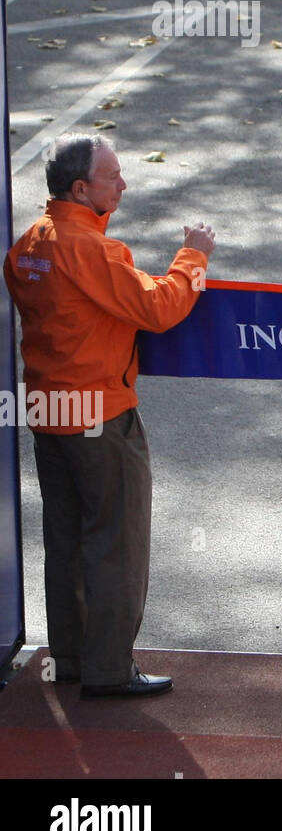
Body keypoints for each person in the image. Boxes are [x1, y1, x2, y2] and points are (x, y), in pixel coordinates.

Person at [4, 137, 215, 698]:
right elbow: (159, 307)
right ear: (81, 188)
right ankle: (109, 670)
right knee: (116, 542)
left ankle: (70, 658)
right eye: (113, 177)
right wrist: (192, 256)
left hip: (49, 412)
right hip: (100, 413)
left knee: (66, 538)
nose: (122, 185)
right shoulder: (95, 251)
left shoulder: (27, 245)